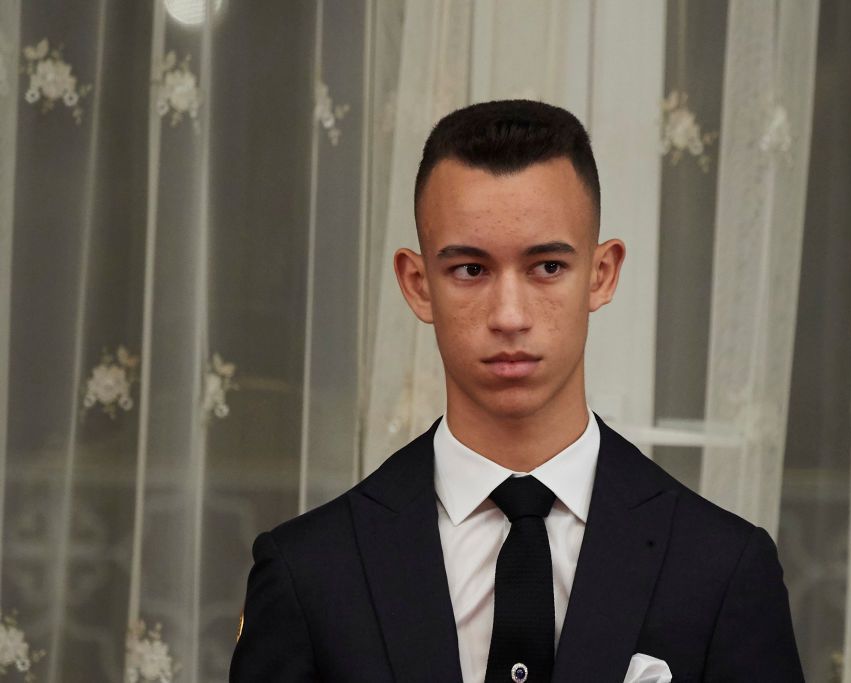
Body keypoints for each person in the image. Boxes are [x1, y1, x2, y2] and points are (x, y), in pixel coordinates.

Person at [230, 100, 804, 683]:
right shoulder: (310, 572)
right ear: (417, 283)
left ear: (601, 275)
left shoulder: (723, 567)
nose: (509, 315)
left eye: (548, 266)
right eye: (470, 270)